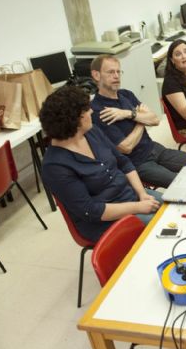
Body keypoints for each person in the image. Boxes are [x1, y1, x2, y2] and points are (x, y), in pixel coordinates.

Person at [40, 86, 162, 242]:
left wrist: (142, 194)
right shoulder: (55, 167)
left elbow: (124, 162)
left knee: (177, 209)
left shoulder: (91, 132)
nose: (91, 112)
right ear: (75, 120)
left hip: (132, 197)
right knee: (164, 228)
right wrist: (138, 207)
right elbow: (91, 211)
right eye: (86, 109)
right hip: (103, 221)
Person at [90, 55, 186, 188]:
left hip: (154, 148)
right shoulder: (98, 111)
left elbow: (155, 119)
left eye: (118, 71)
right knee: (182, 183)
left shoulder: (126, 94)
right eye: (111, 72)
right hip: (138, 163)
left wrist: (128, 114)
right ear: (96, 75)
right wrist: (140, 119)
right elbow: (126, 147)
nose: (116, 76)